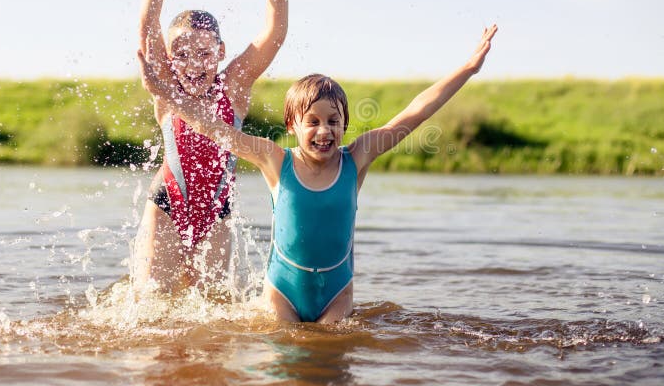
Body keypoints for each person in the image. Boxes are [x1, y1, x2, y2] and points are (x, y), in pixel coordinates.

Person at [138, 24, 497, 322]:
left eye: (333, 122)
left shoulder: (357, 158)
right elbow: (216, 129)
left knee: (330, 370)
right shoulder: (275, 160)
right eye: (313, 122)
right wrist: (166, 95)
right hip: (282, 292)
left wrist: (467, 69)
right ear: (292, 124)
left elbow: (415, 113)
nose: (324, 131)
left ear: (344, 125)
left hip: (337, 294)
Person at [133, 0, 293, 294]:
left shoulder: (233, 86)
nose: (192, 64)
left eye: (204, 53)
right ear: (169, 58)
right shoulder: (165, 85)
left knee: (216, 315)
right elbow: (147, 23)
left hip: (217, 214)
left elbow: (273, 34)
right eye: (181, 55)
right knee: (154, 308)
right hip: (168, 204)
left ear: (221, 52)